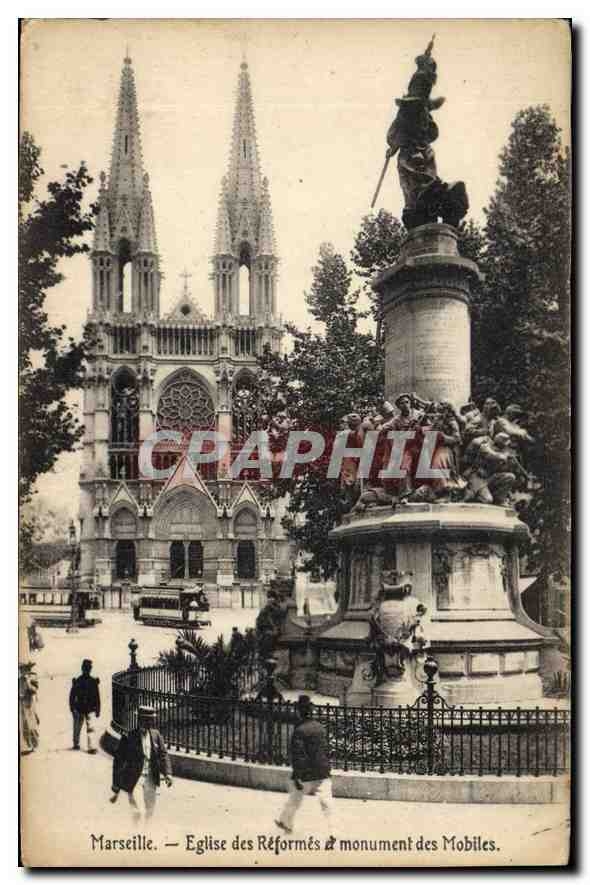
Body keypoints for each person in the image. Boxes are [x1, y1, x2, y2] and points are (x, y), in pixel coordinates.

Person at [275, 695, 334, 835]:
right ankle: (333, 832)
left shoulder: (300, 731)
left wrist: (297, 776)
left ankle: (286, 822)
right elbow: (326, 749)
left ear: (299, 712)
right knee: (327, 804)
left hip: (307, 773)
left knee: (295, 797)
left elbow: (299, 756)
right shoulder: (320, 727)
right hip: (322, 771)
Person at [110, 705, 173, 824]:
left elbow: (163, 755)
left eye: (151, 720)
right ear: (139, 720)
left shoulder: (156, 735)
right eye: (146, 720)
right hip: (134, 779)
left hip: (151, 778)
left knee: (150, 811)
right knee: (138, 811)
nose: (149, 723)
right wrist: (116, 785)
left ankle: (146, 834)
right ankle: (136, 834)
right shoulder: (129, 737)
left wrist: (168, 773)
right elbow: (118, 761)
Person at [69, 658, 101, 753]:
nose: (87, 670)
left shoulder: (93, 682)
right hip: (79, 708)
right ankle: (76, 743)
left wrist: (98, 709)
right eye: (86, 668)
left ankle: (91, 747)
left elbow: (97, 696)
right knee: (77, 727)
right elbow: (72, 695)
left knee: (90, 727)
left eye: (88, 669)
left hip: (89, 708)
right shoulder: (78, 681)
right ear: (82, 669)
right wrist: (72, 707)